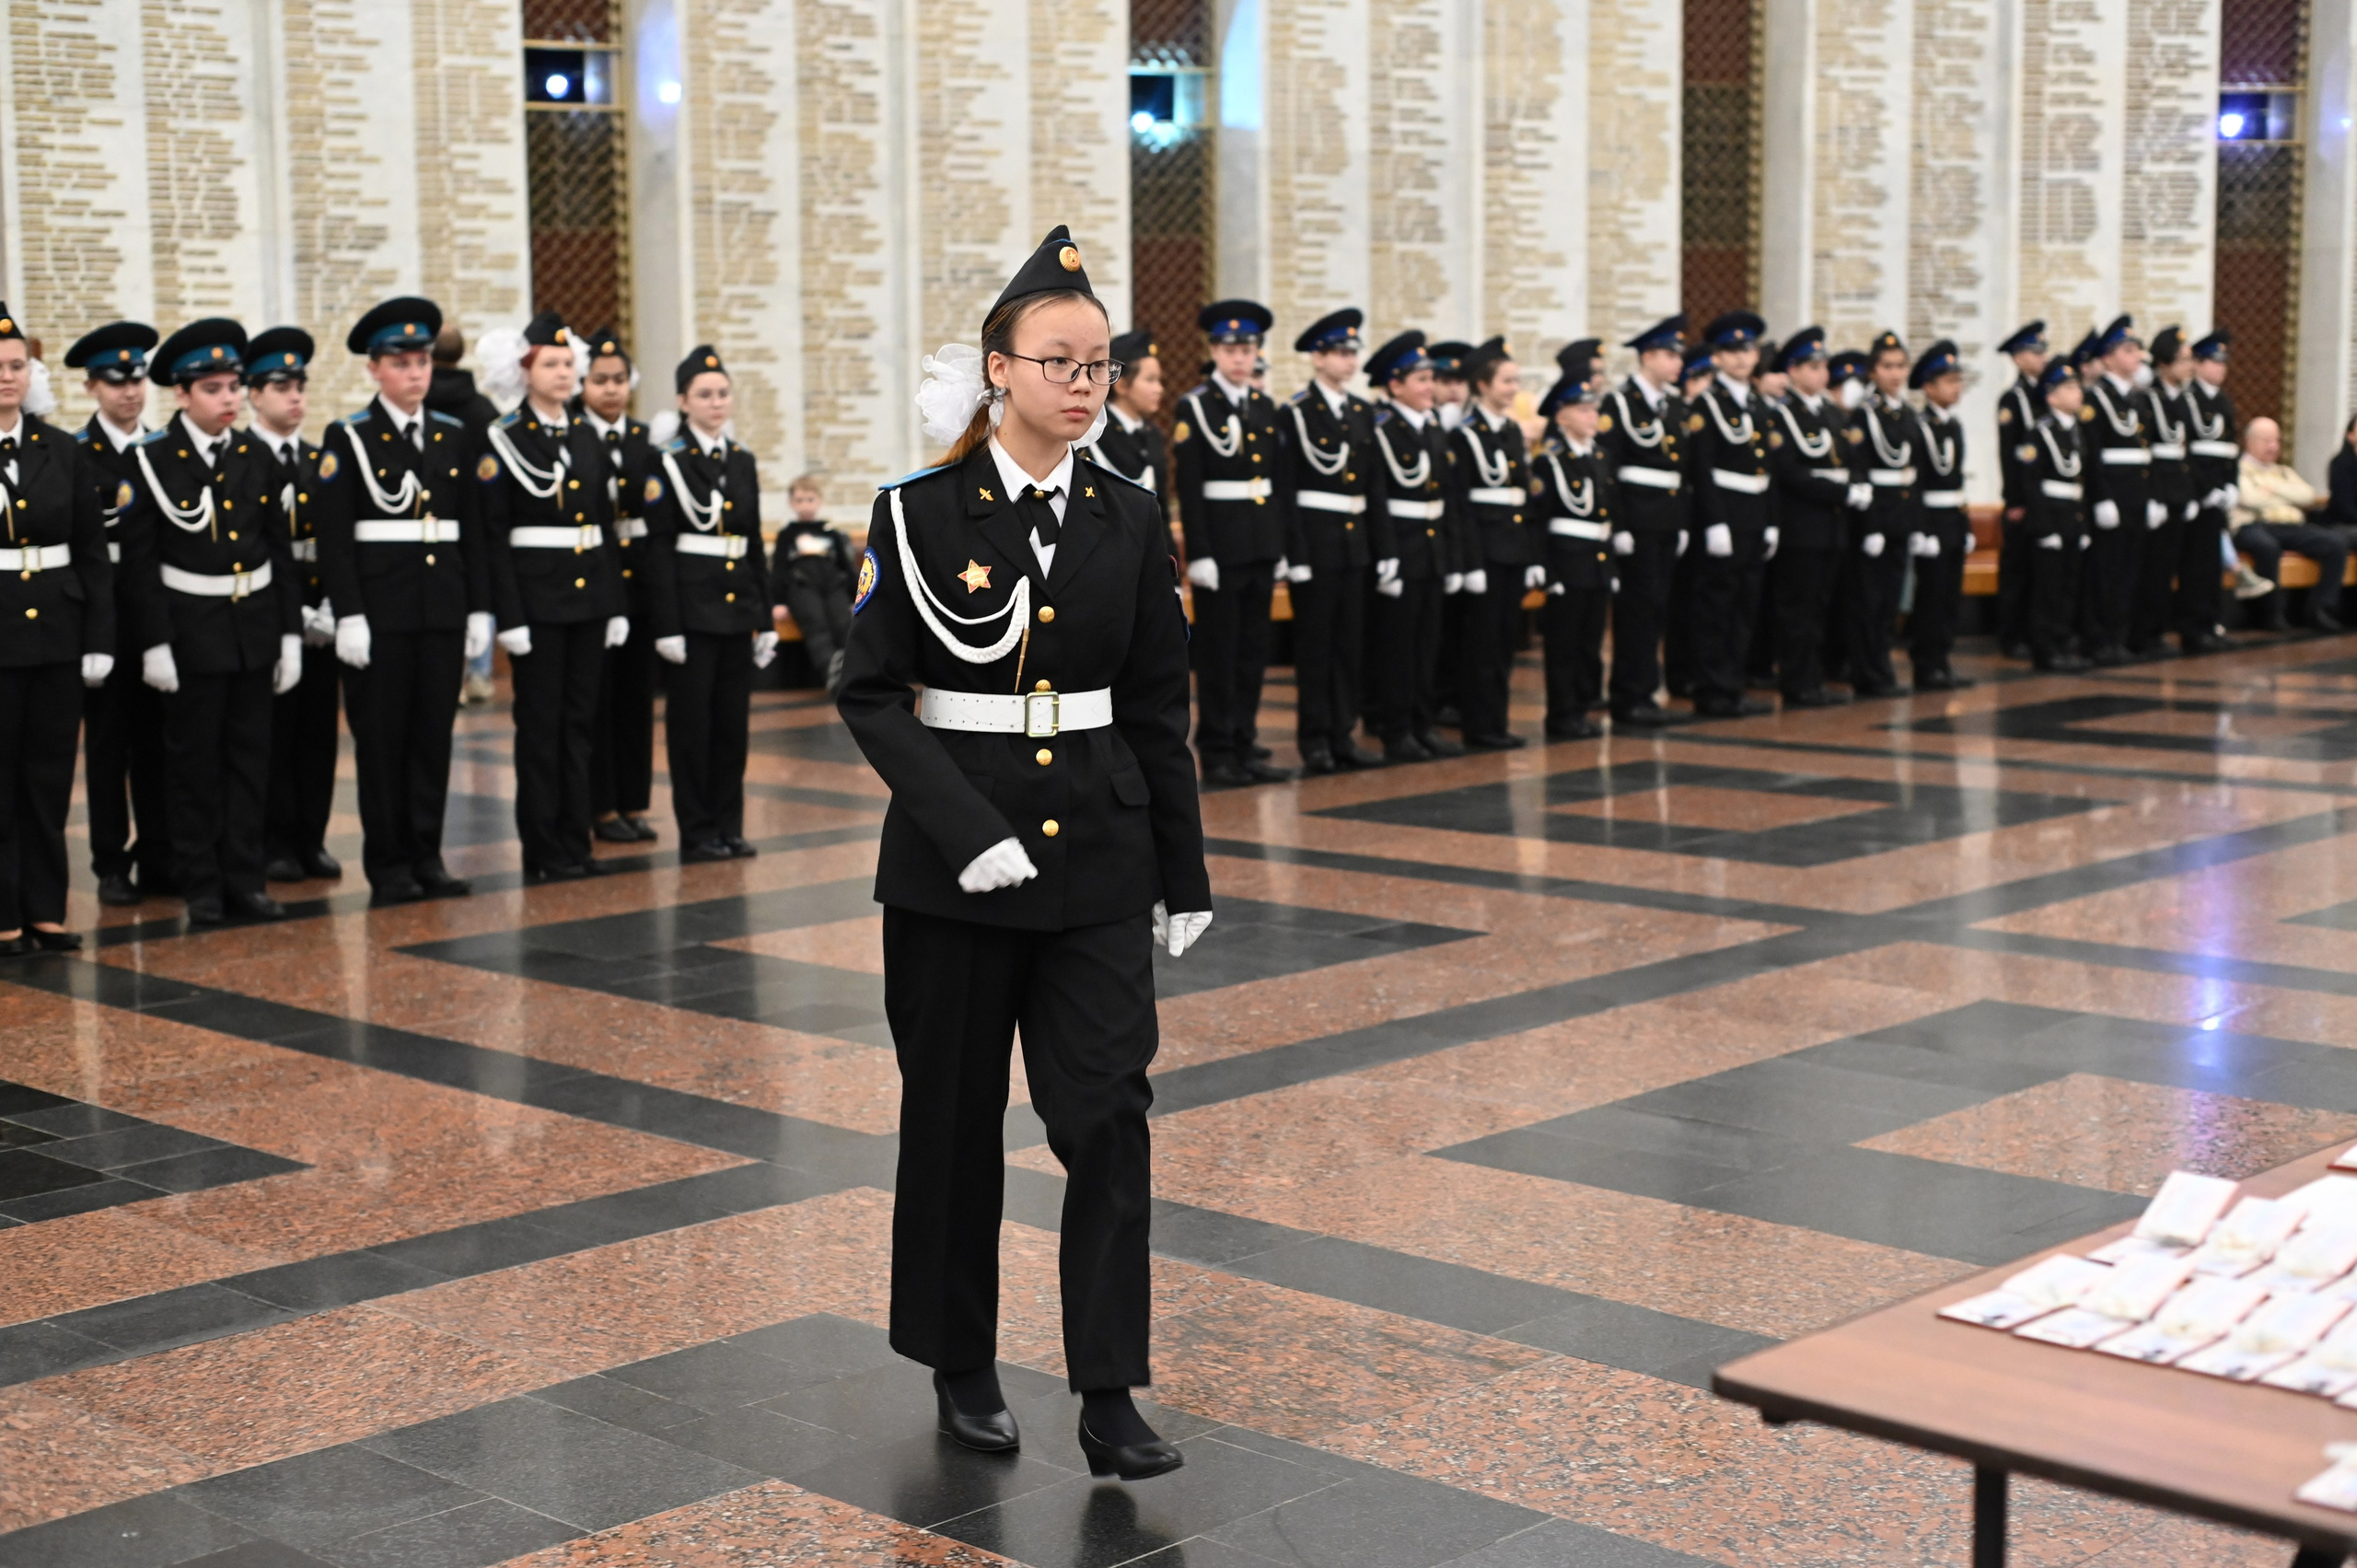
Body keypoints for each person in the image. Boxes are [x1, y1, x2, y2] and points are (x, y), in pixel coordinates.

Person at [838, 226, 1211, 1481]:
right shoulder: (920, 511)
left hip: (1100, 860)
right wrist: (965, 827)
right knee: (952, 1122)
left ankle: (1109, 1387)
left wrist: (1186, 870)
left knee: (1107, 1114)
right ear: (1000, 369)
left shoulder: (1126, 510)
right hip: (955, 872)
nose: (1085, 382)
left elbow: (1159, 701)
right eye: (1059, 360)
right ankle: (961, 1359)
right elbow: (871, 691)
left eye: (1099, 362)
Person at [117, 319, 301, 924]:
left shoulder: (254, 454)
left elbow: (279, 552)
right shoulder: (151, 460)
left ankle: (244, 879)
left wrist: (289, 635)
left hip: (251, 630)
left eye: (234, 387)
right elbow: (140, 564)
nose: (229, 399)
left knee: (251, 759)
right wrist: (156, 644)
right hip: (190, 631)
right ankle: (201, 884)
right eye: (215, 388)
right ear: (182, 394)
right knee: (193, 764)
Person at [316, 297, 491, 904]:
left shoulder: (452, 435)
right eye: (403, 362)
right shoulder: (350, 437)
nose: (417, 373)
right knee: (383, 744)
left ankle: (427, 855)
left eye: (422, 361)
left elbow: (471, 528)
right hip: (382, 618)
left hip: (440, 611)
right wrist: (351, 615)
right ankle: (388, 865)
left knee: (431, 740)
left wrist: (477, 608)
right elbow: (334, 540)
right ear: (375, 370)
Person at [482, 313, 630, 879]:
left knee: (580, 724)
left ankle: (576, 841)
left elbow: (603, 526)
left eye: (570, 364)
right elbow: (496, 536)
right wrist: (509, 614)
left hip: (589, 600)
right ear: (525, 371)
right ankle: (543, 849)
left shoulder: (586, 435)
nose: (565, 373)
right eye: (552, 364)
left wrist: (613, 602)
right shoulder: (504, 439)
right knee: (540, 729)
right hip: (538, 606)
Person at [0, 308, 114, 954]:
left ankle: (46, 909)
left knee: (47, 776)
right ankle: (3, 913)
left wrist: (98, 638)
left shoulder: (62, 450)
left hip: (57, 633)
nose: (7, 378)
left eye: (17, 366)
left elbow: (93, 554)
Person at [646, 344, 776, 861]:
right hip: (692, 614)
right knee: (691, 729)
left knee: (730, 726)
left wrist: (764, 618)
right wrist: (667, 625)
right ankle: (697, 830)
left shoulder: (741, 460)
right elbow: (658, 550)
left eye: (722, 393)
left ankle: (728, 824)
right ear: (683, 401)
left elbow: (750, 543)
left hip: (735, 609)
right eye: (704, 395)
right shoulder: (668, 464)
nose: (716, 402)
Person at [65, 320, 170, 906]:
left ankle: (159, 853)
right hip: (104, 625)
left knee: (160, 745)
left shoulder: (162, 451)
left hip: (157, 621)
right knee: (108, 748)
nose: (130, 392)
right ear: (91, 387)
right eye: (115, 381)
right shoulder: (77, 456)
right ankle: (111, 862)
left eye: (137, 380)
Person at [1174, 299, 1289, 786]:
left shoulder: (1265, 406)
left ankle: (1244, 741)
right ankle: (1217, 748)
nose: (1240, 357)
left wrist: (1280, 546)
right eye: (1229, 348)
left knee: (1252, 652)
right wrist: (1199, 553)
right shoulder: (1196, 407)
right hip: (1221, 549)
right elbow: (1192, 487)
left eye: (1247, 348)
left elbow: (1277, 484)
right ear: (1215, 351)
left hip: (1260, 545)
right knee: (1219, 655)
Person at [246, 327, 343, 883]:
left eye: (300, 385)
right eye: (281, 386)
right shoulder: (242, 457)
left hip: (320, 618)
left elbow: (333, 538)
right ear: (255, 394)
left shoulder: (318, 460)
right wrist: (290, 615)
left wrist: (330, 602)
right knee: (273, 736)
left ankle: (312, 836)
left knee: (317, 733)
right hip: (269, 618)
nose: (295, 396)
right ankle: (274, 840)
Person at [1280, 308, 1384, 772]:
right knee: (1316, 647)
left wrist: (1383, 550)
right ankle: (1315, 738)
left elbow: (1373, 488)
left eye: (1352, 352)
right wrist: (1295, 552)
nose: (1349, 361)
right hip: (1317, 547)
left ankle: (1343, 734)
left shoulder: (1362, 412)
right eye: (1340, 353)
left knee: (1351, 645)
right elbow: (1288, 487)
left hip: (1353, 545)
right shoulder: (1298, 413)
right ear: (1318, 358)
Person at [576, 329, 662, 844]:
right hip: (595, 575)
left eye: (618, 380)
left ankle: (632, 801)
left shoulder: (642, 438)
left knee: (635, 698)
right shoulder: (576, 435)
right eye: (599, 380)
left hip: (640, 580)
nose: (611, 389)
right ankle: (600, 805)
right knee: (599, 700)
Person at [1362, 331, 1463, 761]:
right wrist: (1386, 555)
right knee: (1396, 648)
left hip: (1432, 550)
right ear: (1395, 386)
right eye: (1419, 380)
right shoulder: (1384, 429)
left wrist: (1454, 556)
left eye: (1430, 379)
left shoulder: (1433, 427)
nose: (1429, 388)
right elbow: (1378, 497)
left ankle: (1424, 724)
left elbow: (1448, 498)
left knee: (1427, 645)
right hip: (1401, 550)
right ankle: (1395, 728)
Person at [1681, 311, 1772, 718]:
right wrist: (1715, 522)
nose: (1741, 358)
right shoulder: (1707, 405)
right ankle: (1712, 689)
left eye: (1747, 350)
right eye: (1732, 351)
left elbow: (1764, 468)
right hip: (1724, 516)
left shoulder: (1757, 403)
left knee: (1745, 607)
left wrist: (1770, 520)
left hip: (1754, 515)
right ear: (1717, 357)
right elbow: (1702, 470)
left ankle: (1733, 684)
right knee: (1715, 608)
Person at [1446, 338, 1538, 749]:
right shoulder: (1465, 436)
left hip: (1512, 547)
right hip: (1484, 548)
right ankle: (1479, 724)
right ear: (1482, 385)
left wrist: (1532, 554)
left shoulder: (1511, 432)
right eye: (1506, 381)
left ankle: (1497, 721)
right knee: (1480, 643)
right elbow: (1461, 504)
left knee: (1504, 640)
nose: (1513, 388)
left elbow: (1524, 497)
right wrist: (1469, 562)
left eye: (1516, 380)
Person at [1598, 315, 1688, 727]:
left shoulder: (1673, 405)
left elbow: (1678, 469)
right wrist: (1618, 525)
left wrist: (1681, 520)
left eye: (1678, 356)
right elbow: (1609, 470)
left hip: (1666, 520)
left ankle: (1647, 690)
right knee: (1635, 611)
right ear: (1648, 356)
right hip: (1636, 520)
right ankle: (1628, 695)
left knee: (1657, 609)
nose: (1677, 364)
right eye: (1669, 355)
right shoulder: (1619, 403)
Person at [1760, 329, 1848, 706]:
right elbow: (1788, 472)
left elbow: (1847, 460)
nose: (1821, 374)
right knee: (1797, 607)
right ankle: (1796, 681)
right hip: (1801, 524)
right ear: (1792, 371)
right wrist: (1840, 491)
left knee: (1821, 606)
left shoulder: (1830, 413)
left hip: (1831, 525)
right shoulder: (1782, 415)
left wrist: (1852, 488)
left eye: (1824, 366)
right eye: (1812, 367)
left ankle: (1814, 677)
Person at [1534, 359, 1611, 738]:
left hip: (1595, 561)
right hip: (1566, 562)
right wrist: (1545, 569)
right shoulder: (1550, 462)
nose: (1592, 416)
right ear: (1561, 416)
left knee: (1589, 641)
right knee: (1563, 644)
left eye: (1594, 408)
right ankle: (1561, 714)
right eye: (1583, 409)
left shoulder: (1597, 456)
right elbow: (1538, 521)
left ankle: (1580, 707)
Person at [1840, 331, 1915, 697]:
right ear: (1873, 371)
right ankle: (1867, 672)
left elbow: (1913, 474)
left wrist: (1915, 522)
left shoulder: (1906, 413)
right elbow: (1859, 470)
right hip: (1875, 518)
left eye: (1901, 366)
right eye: (1887, 366)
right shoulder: (1864, 415)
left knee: (1889, 602)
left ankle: (1883, 668)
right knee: (1868, 600)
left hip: (1899, 517)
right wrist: (1869, 525)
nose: (1895, 374)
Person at [430, 322, 503, 706]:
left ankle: (449, 676)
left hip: (432, 518)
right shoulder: (482, 410)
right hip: (477, 515)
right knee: (479, 589)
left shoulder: (422, 404)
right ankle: (480, 672)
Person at [2078, 316, 2152, 665]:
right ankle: (2098, 640)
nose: (2136, 356)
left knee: (2130, 573)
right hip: (2111, 498)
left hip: (2136, 497)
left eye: (2137, 349)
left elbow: (2143, 454)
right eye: (2128, 350)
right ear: (2107, 358)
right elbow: (2091, 455)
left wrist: (2149, 496)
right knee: (2104, 573)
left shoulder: (2135, 400)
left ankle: (2118, 637)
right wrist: (2102, 497)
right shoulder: (2096, 399)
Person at [2233, 416, 2346, 632]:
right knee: (2266, 547)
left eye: (2276, 440)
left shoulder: (2283, 471)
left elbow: (2308, 495)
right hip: (2254, 525)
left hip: (2289, 527)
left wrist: (2271, 489)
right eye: (2267, 440)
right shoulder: (2238, 469)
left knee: (2335, 543)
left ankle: (2320, 609)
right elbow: (2249, 499)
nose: (2273, 446)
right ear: (2250, 442)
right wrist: (2285, 495)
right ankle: (2270, 613)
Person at [1905, 339, 1971, 690]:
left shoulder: (1953, 426)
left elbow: (1957, 478)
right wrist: (1920, 528)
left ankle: (1943, 659)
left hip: (1951, 518)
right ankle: (1925, 662)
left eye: (1958, 380)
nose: (1956, 387)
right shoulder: (1919, 426)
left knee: (1949, 596)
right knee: (1929, 596)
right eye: (1948, 381)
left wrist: (1965, 522)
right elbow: (1915, 482)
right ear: (1928, 387)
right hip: (1930, 518)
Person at [2020, 359, 2093, 670]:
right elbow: (2031, 483)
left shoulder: (2076, 431)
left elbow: (2081, 482)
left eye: (2077, 386)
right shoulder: (2039, 432)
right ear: (2051, 397)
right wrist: (2044, 526)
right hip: (2050, 518)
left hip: (2072, 517)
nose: (2078, 393)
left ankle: (2063, 644)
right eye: (2069, 388)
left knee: (2069, 586)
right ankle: (2046, 649)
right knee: (2048, 588)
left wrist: (2083, 522)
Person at [1992, 322, 2049, 658]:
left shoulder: (2044, 393)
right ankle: (2011, 635)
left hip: (2043, 498)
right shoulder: (2012, 400)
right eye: (2034, 352)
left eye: (2043, 351)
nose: (2042, 358)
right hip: (2022, 498)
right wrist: (2014, 499)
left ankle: (2032, 630)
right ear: (2018, 358)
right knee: (2017, 571)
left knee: (2038, 571)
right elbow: (2010, 454)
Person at [2186, 331, 2246, 639]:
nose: (2221, 369)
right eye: (2213, 362)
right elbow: (2190, 453)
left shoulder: (2223, 402)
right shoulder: (2189, 400)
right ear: (2197, 363)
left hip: (2219, 496)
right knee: (2197, 566)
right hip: (2200, 497)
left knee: (2213, 566)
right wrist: (2205, 490)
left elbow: (2230, 451)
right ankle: (2196, 627)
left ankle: (2211, 623)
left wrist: (2232, 485)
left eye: (2224, 363)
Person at [774, 474, 857, 696]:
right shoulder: (787, 535)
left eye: (810, 499)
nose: (805, 505)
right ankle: (833, 675)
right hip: (802, 588)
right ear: (791, 503)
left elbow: (845, 566)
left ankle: (854, 676)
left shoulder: (831, 533)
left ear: (819, 501)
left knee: (844, 625)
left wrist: (854, 597)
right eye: (799, 500)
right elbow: (779, 570)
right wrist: (779, 601)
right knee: (817, 627)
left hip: (833, 586)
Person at [1085, 328, 1168, 499]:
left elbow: (1161, 505)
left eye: (1159, 380)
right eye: (1150, 380)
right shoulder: (1096, 434)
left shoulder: (1152, 434)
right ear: (1121, 386)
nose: (1159, 389)